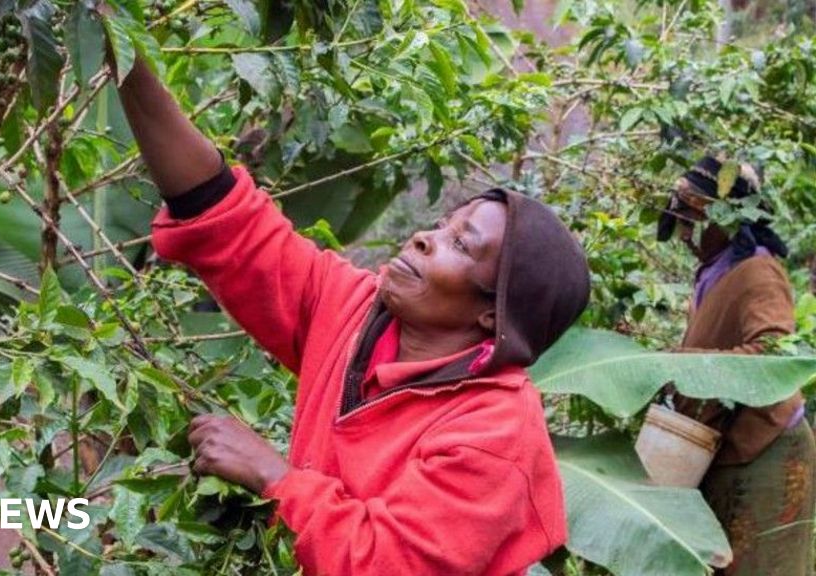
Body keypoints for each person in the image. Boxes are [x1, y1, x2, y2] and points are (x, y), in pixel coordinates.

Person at [113, 52, 590, 575]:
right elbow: (225, 219)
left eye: (461, 243)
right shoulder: (354, 310)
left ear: (491, 317)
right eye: (441, 223)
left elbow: (391, 564)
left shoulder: (494, 433)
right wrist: (126, 59)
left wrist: (273, 477)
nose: (424, 238)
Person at [657, 155, 816, 576]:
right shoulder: (715, 270)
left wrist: (683, 366)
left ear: (724, 218)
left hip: (765, 443)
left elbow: (773, 352)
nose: (686, 234)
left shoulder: (759, 270)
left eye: (693, 221)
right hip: (727, 443)